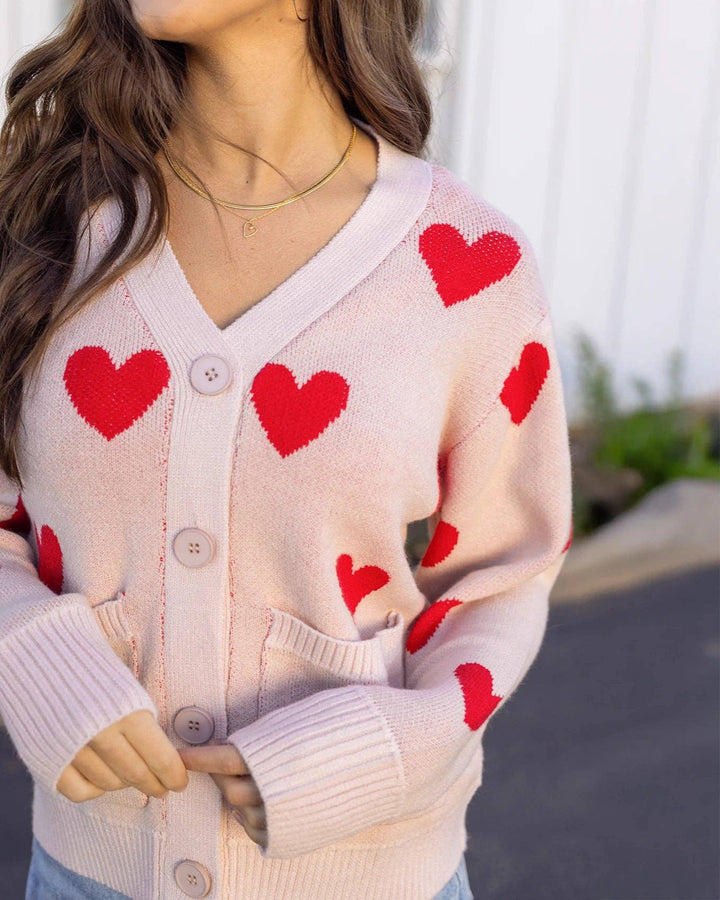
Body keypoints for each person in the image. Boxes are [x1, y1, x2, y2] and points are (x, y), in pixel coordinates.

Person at [0, 1, 573, 898]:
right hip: (85, 874)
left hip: (371, 873)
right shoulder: (48, 222)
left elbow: (503, 575)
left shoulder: (467, 265)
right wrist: (25, 646)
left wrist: (385, 750)